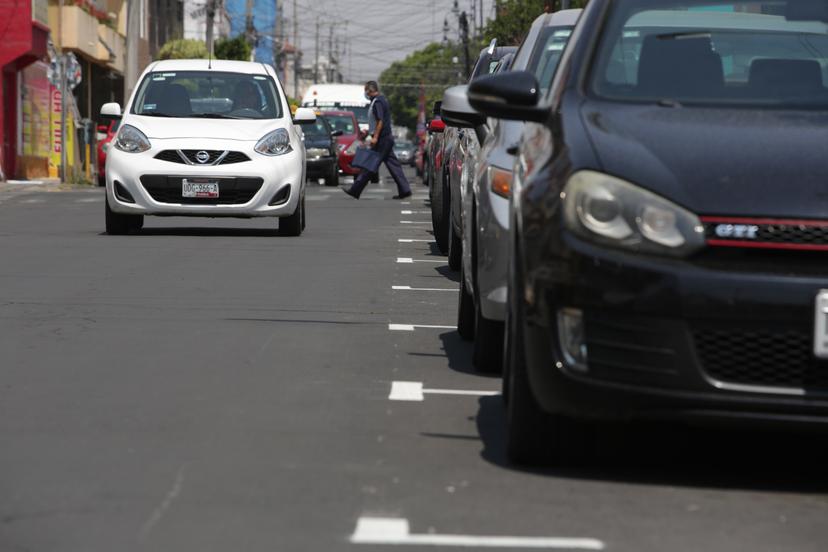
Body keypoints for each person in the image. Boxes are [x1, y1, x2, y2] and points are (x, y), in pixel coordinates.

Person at [342, 81, 412, 200]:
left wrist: (375, 137)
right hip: (385, 138)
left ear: (370, 90)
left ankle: (355, 190)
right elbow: (376, 122)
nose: (365, 93)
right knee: (393, 165)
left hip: (382, 139)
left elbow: (380, 121)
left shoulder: (378, 102)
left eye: (366, 90)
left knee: (369, 164)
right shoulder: (380, 100)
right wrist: (368, 132)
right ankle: (405, 189)